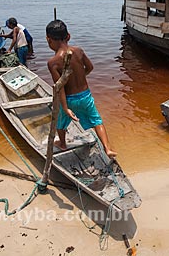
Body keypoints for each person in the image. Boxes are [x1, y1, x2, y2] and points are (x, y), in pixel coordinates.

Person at [45, 19, 117, 158]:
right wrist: (81, 76)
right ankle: (107, 148)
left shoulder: (53, 62)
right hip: (85, 96)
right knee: (97, 121)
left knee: (60, 122)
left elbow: (60, 88)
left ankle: (63, 143)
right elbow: (90, 67)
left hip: (69, 100)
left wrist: (65, 108)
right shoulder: (78, 51)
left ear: (49, 40)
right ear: (68, 36)